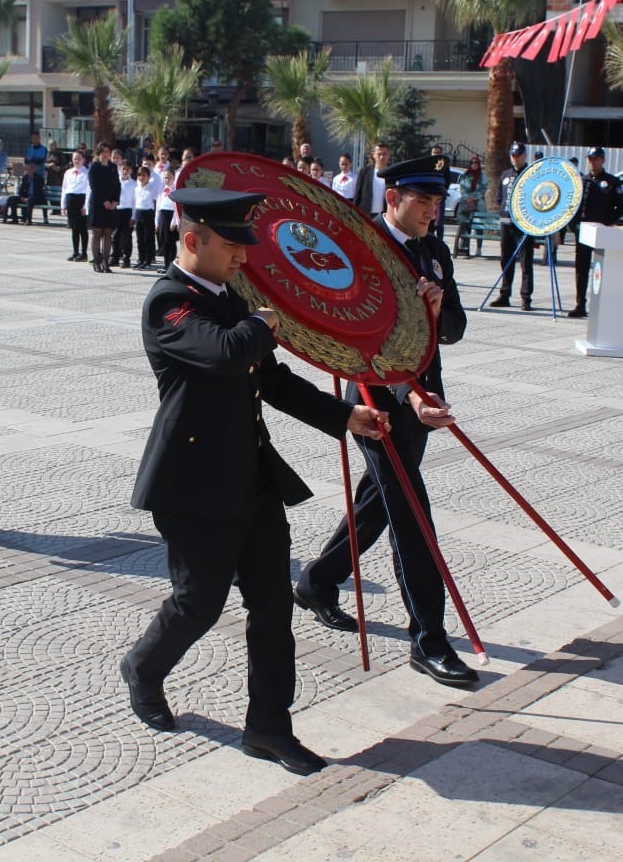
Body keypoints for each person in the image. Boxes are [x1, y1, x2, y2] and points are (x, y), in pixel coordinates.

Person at [121, 187, 387, 776]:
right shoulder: (169, 302)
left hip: (253, 479)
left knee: (272, 609)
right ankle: (143, 667)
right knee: (199, 604)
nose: (244, 256)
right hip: (193, 486)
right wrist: (264, 320)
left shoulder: (233, 298)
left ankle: (268, 726)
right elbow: (224, 354)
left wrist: (345, 417)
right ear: (193, 241)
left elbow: (272, 380)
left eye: (246, 244)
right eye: (232, 244)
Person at [295, 155, 474, 688]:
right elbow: (353, 341)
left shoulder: (435, 250)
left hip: (422, 401)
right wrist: (401, 397)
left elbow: (455, 329)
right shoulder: (360, 250)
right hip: (376, 405)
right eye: (423, 202)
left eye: (438, 202)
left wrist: (438, 314)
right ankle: (429, 641)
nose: (432, 213)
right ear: (393, 198)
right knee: (413, 516)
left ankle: (316, 581)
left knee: (380, 503)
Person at [569, 147, 623, 317]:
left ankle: (602, 304)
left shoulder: (611, 181)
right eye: (590, 159)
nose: (592, 162)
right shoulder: (581, 180)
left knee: (602, 269)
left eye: (596, 159)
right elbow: (573, 207)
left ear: (602, 160)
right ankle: (580, 303)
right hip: (584, 232)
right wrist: (574, 226)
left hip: (602, 232)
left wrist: (609, 222)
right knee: (581, 268)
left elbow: (620, 207)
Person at [491, 142, 532, 309]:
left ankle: (526, 297)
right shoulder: (505, 174)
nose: (515, 158)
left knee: (525, 263)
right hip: (506, 224)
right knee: (505, 260)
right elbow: (500, 197)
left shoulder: (530, 174)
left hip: (523, 226)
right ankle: (505, 294)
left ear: (524, 156)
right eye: (513, 155)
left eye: (519, 155)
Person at [87, 142, 121, 273]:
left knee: (108, 233)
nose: (106, 154)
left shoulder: (113, 167)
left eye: (108, 151)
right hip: (98, 204)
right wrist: (104, 201)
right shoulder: (94, 167)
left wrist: (114, 201)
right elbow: (94, 186)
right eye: (103, 151)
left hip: (111, 205)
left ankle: (106, 262)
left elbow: (117, 185)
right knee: (97, 233)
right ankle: (96, 262)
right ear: (99, 153)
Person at [453, 154, 486, 258]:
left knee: (479, 227)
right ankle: (464, 247)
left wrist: (474, 197)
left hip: (478, 204)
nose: (474, 164)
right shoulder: (465, 175)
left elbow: (483, 189)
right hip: (466, 203)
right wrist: (468, 198)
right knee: (465, 224)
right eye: (472, 162)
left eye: (476, 162)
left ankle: (479, 248)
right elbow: (462, 189)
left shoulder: (482, 176)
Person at [61, 150, 89, 261]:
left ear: (83, 160)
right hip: (70, 199)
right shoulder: (68, 172)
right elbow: (64, 189)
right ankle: (75, 251)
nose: (76, 161)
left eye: (79, 158)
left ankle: (84, 253)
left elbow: (88, 190)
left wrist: (85, 206)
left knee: (82, 228)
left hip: (81, 199)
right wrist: (63, 205)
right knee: (74, 228)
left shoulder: (86, 173)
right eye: (74, 158)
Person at [353, 141, 391, 215]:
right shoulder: (364, 172)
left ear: (389, 154)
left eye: (384, 154)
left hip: (385, 216)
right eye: (379, 154)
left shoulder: (393, 173)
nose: (382, 157)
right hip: (366, 215)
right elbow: (357, 195)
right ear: (374, 155)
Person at [132, 165, 157, 269]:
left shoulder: (152, 188)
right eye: (139, 175)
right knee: (139, 238)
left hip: (148, 213)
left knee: (148, 238)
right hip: (139, 213)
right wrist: (133, 216)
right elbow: (134, 203)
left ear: (148, 176)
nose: (141, 177)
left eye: (144, 175)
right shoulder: (137, 188)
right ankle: (141, 259)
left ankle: (148, 260)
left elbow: (155, 203)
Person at [114, 158, 136, 267]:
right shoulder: (115, 181)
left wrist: (133, 216)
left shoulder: (134, 184)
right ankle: (115, 256)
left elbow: (134, 201)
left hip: (128, 211)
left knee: (127, 236)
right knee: (116, 235)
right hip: (117, 210)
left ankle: (127, 258)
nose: (125, 171)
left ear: (131, 170)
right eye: (123, 169)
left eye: (127, 169)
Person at [427, 144, 451, 242]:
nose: (436, 155)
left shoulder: (444, 167)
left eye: (438, 153)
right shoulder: (427, 165)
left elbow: (447, 181)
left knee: (439, 223)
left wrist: (440, 193)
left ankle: (440, 243)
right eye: (434, 153)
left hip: (439, 199)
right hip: (428, 198)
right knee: (429, 222)